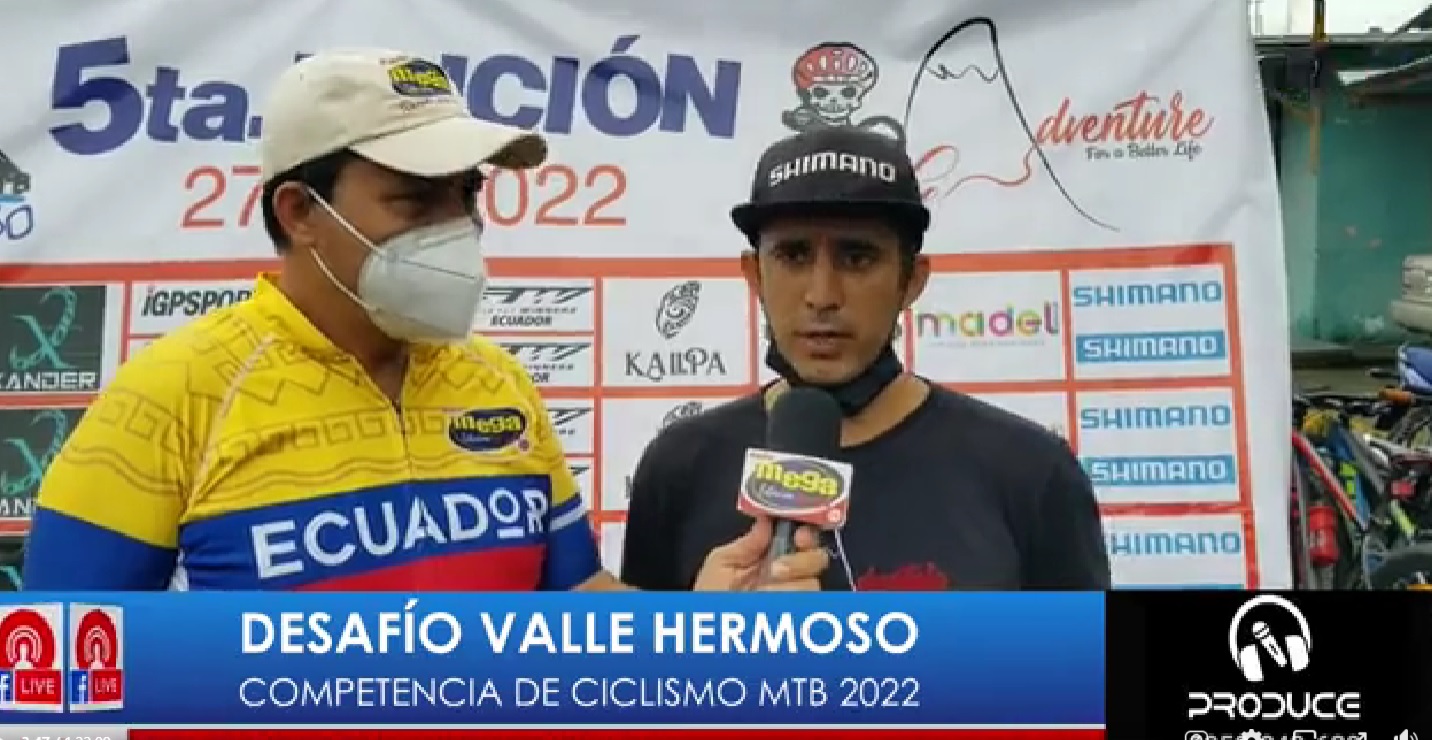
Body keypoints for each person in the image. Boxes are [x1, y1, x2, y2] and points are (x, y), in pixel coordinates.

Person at [23, 49, 827, 592]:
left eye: (466, 195)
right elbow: (57, 677)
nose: (458, 227)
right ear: (300, 212)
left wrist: (702, 623)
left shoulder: (499, 385)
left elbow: (579, 608)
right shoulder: (168, 399)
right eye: (415, 199)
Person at [620, 126, 1111, 591]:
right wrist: (710, 637)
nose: (822, 295)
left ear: (912, 280)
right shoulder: (679, 468)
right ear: (754, 275)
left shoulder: (1030, 472)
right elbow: (636, 657)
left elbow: (1084, 656)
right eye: (793, 256)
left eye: (857, 258)